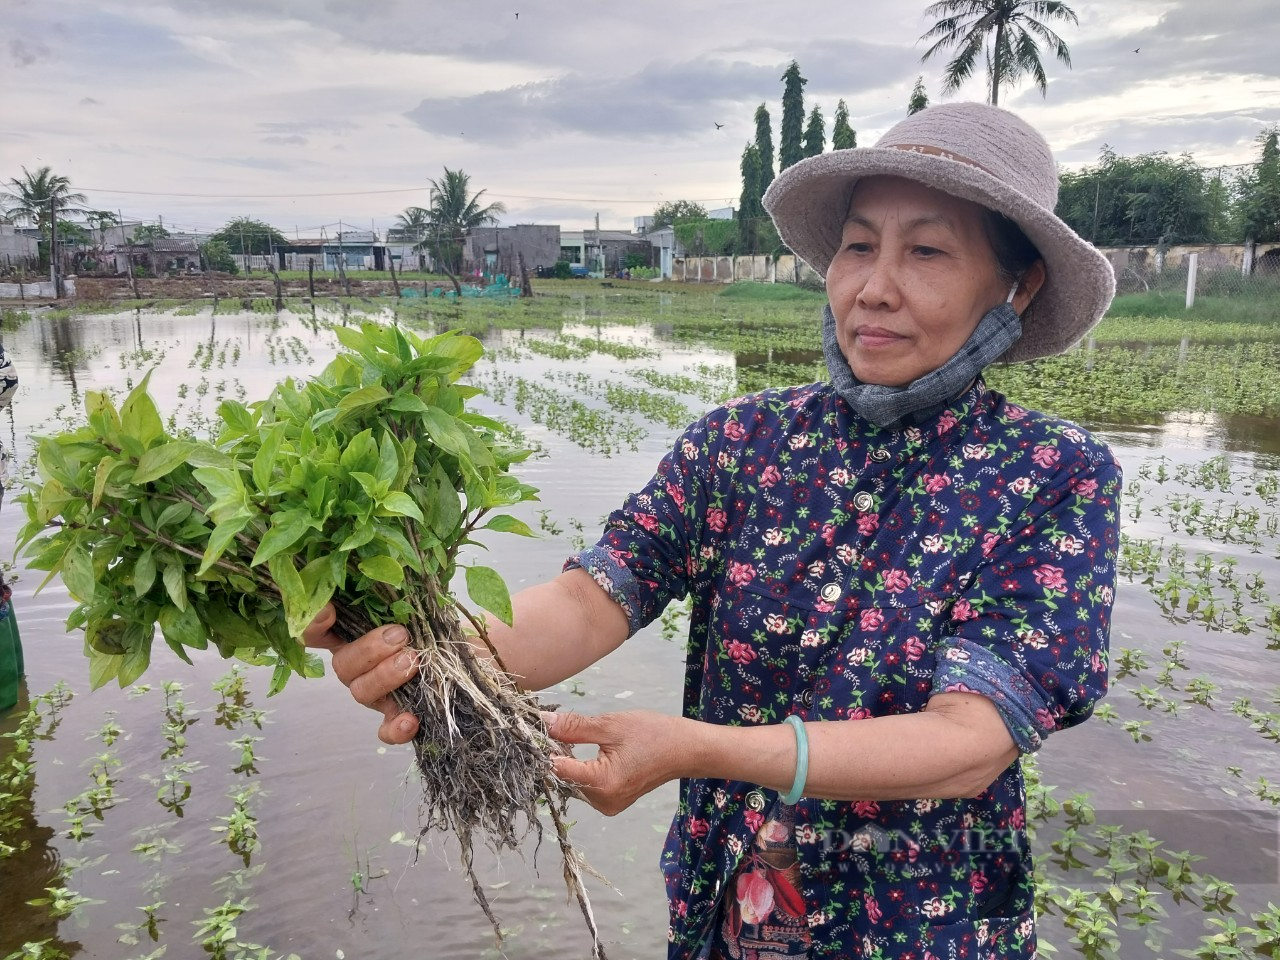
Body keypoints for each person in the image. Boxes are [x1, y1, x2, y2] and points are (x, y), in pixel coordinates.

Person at [304, 102, 1121, 959]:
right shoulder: (742, 442)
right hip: (734, 910)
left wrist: (696, 749)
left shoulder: (1052, 475)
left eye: (926, 251)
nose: (874, 286)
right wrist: (433, 657)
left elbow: (967, 743)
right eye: (857, 245)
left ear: (1016, 285)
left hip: (922, 929)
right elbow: (589, 603)